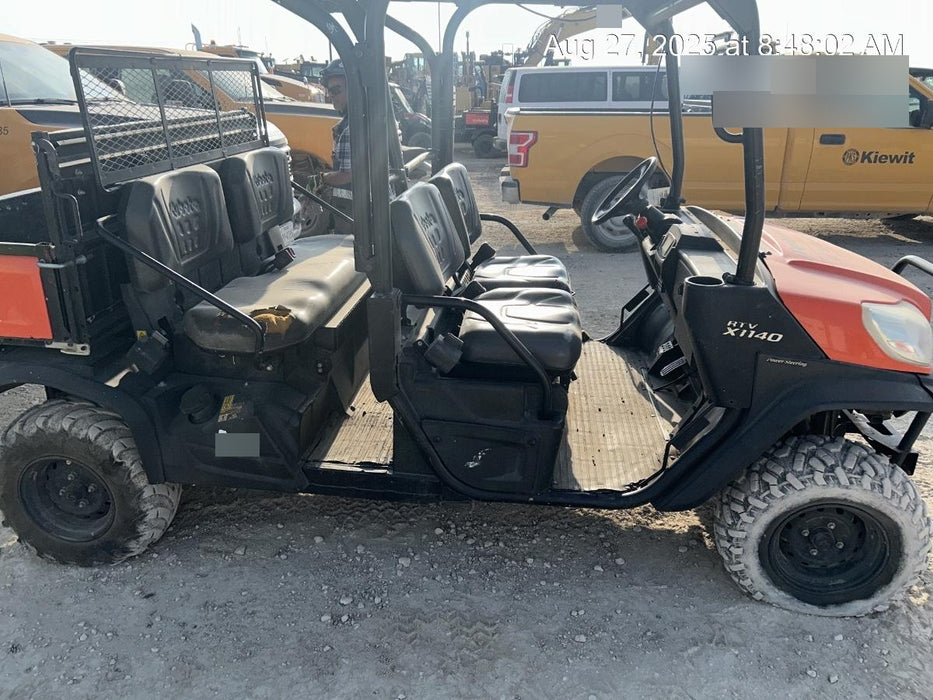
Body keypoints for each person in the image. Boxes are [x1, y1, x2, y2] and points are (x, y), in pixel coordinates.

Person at [307, 59, 353, 232]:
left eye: (336, 90)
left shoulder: (350, 129)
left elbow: (348, 175)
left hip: (353, 213)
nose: (331, 95)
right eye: (329, 91)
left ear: (353, 89)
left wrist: (320, 179)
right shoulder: (368, 119)